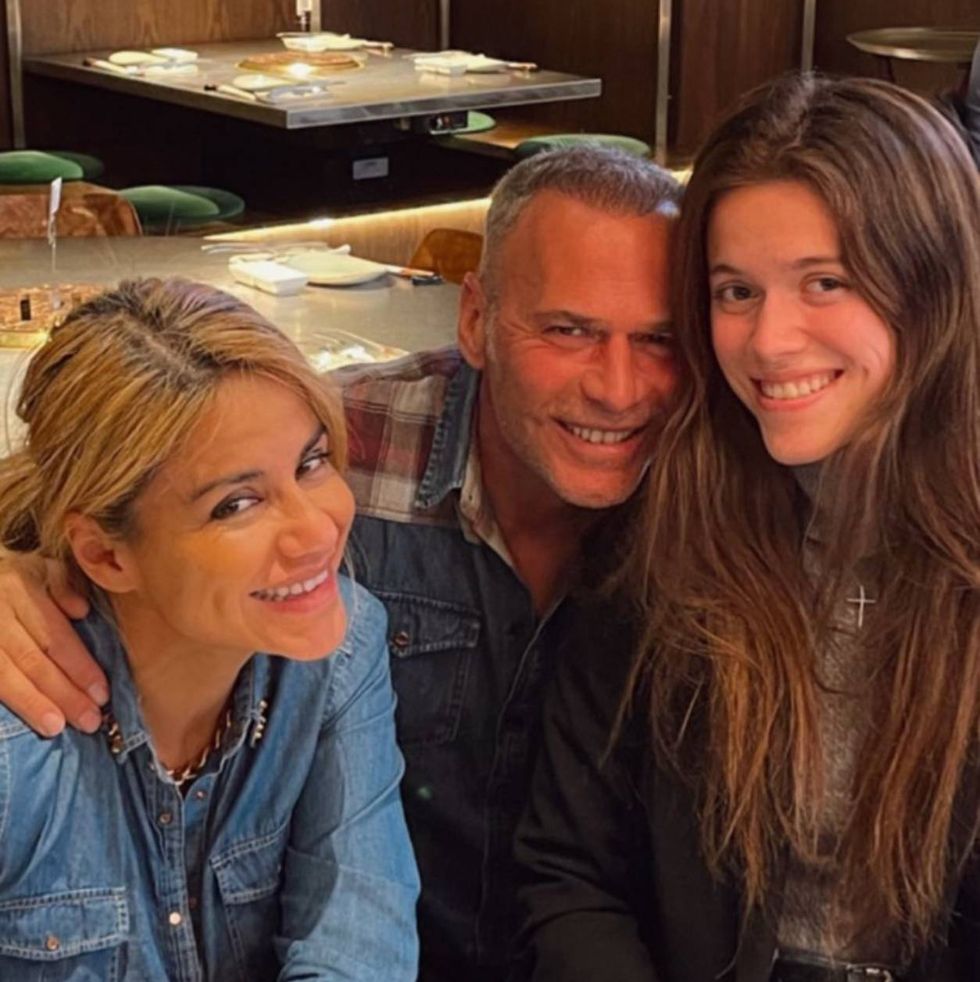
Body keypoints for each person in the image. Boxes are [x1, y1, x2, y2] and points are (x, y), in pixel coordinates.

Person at [0, 148, 683, 980]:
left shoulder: (719, 498)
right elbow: (98, 472)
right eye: (568, 330)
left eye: (660, 338)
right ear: (474, 320)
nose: (619, 388)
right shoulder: (352, 432)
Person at [515, 74, 980, 981]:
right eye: (736, 291)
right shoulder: (667, 534)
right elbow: (571, 876)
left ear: (934, 287)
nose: (769, 340)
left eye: (825, 282)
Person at [0, 278, 419, 980]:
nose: (318, 532)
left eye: (311, 464)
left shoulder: (340, 653)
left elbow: (359, 948)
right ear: (105, 556)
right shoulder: (19, 741)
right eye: (237, 504)